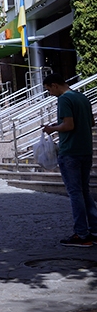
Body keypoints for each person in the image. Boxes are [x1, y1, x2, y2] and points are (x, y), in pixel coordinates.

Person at [42, 74, 97, 247]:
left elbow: (68, 125)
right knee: (84, 191)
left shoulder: (64, 100)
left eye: (49, 89)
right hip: (85, 150)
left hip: (70, 151)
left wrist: (52, 128)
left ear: (55, 85)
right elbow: (92, 122)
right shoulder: (82, 97)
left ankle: (81, 234)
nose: (50, 93)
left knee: (75, 193)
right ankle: (94, 230)